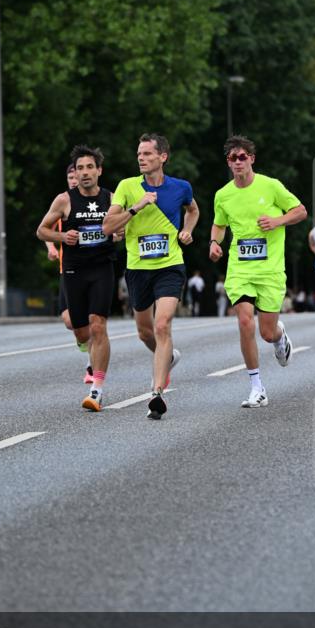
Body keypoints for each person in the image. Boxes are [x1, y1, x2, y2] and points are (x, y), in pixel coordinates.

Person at [103, 133, 199, 420]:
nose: (141, 158)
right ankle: (167, 356)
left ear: (162, 157)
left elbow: (193, 210)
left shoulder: (181, 187)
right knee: (145, 332)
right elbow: (108, 226)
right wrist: (137, 206)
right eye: (139, 154)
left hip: (170, 265)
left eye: (147, 154)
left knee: (162, 324)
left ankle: (157, 393)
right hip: (138, 268)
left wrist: (187, 230)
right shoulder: (127, 187)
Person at [209, 135, 307, 408]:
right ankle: (256, 387)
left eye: (242, 157)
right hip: (240, 269)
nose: (238, 162)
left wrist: (277, 221)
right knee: (244, 321)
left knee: (266, 332)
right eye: (233, 158)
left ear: (251, 159)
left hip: (270, 271)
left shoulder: (271, 186)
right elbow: (219, 224)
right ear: (228, 162)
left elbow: (300, 211)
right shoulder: (223, 195)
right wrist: (214, 242)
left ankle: (279, 335)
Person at [37, 145, 116, 411]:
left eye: (89, 167)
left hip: (102, 268)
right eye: (80, 168)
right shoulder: (64, 200)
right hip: (74, 271)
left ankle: (97, 389)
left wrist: (119, 233)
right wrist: (62, 236)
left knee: (98, 325)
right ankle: (89, 354)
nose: (84, 173)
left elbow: (126, 228)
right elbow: (41, 231)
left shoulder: (111, 198)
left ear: (99, 170)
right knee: (81, 330)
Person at [45, 162, 93, 384]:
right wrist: (51, 247)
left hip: (94, 268)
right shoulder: (64, 201)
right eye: (70, 178)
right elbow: (46, 228)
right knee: (68, 320)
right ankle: (82, 339)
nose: (74, 180)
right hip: (69, 269)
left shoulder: (95, 201)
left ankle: (92, 366)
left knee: (93, 319)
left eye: (77, 176)